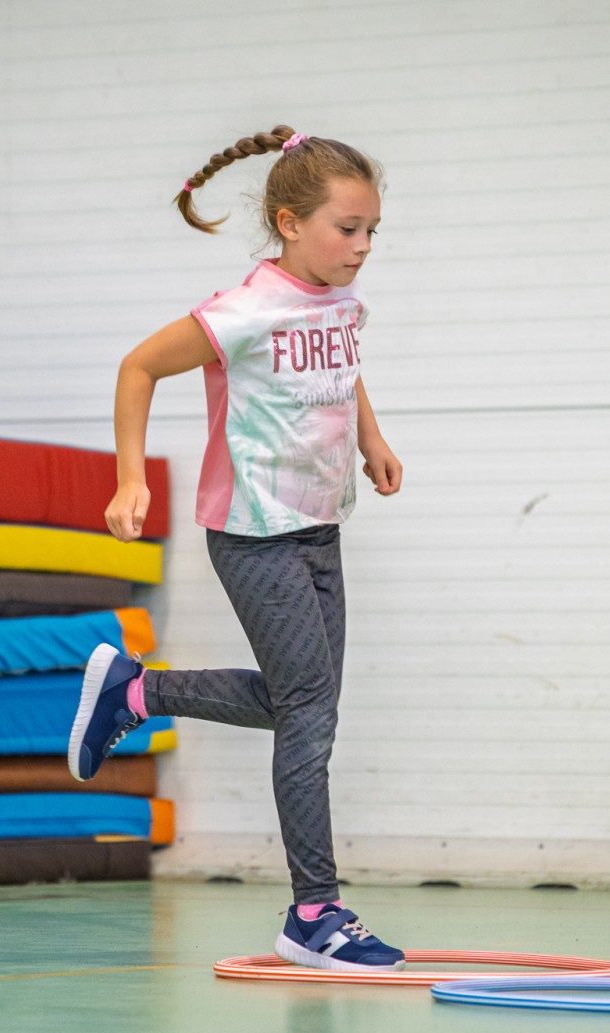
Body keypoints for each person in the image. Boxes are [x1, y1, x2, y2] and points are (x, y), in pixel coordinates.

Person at [69, 126, 405, 972]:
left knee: (306, 703)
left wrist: (370, 438)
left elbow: (344, 370)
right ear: (290, 223)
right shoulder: (244, 310)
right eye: (347, 228)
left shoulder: (342, 300)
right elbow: (139, 366)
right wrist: (129, 478)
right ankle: (314, 911)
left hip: (320, 523)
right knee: (309, 715)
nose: (362, 245)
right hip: (254, 531)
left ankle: (138, 689)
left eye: (372, 229)